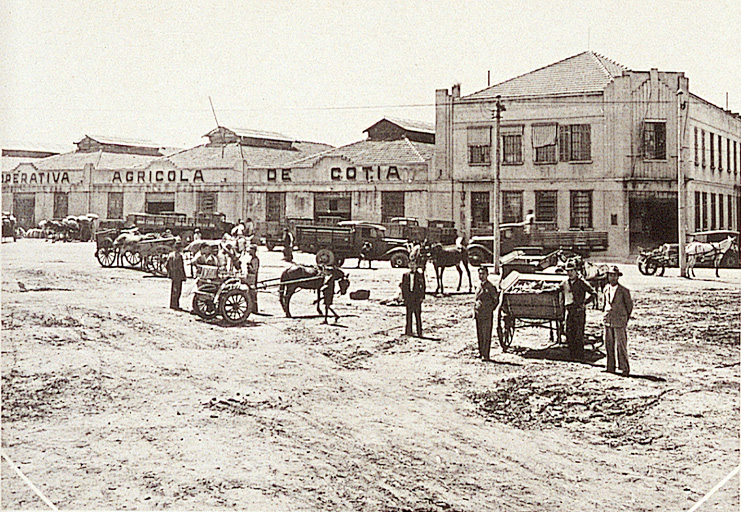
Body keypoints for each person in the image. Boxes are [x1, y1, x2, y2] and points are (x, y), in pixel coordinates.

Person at [561, 260, 597, 361]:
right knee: (569, 332)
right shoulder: (565, 283)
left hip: (579, 312)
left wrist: (584, 303)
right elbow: (556, 289)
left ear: (576, 271)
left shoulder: (581, 283)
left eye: (571, 270)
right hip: (569, 311)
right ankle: (572, 356)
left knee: (578, 334)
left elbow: (593, 293)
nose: (569, 273)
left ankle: (580, 356)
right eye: (568, 271)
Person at [602, 265, 633, 376]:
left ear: (618, 277)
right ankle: (610, 367)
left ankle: (624, 368)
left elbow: (629, 306)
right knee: (608, 344)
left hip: (620, 321)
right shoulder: (606, 288)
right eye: (610, 275)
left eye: (614, 275)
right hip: (608, 319)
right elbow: (604, 303)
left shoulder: (624, 291)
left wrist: (625, 318)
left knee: (621, 346)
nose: (612, 278)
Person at [474, 266, 499, 360]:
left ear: (487, 274)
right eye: (480, 274)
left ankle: (486, 354)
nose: (481, 276)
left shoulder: (491, 287)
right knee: (479, 333)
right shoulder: (478, 286)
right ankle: (481, 352)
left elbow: (495, 300)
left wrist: (490, 309)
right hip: (478, 313)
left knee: (486, 334)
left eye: (483, 274)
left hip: (487, 314)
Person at [400, 261, 425, 337]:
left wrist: (422, 297)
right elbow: (403, 287)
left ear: (416, 266)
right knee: (408, 315)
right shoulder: (405, 275)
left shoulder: (420, 275)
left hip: (416, 298)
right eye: (411, 265)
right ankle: (408, 331)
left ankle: (419, 332)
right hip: (409, 298)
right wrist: (404, 298)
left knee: (417, 315)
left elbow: (423, 287)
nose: (412, 267)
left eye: (413, 265)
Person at [166, 241, 187, 310]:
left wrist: (170, 272)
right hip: (178, 275)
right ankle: (175, 305)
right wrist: (184, 275)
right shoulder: (179, 256)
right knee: (178, 290)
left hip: (173, 274)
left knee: (173, 290)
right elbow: (181, 267)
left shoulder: (171, 255)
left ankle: (172, 304)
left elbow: (167, 265)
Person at [244, 244, 260, 313]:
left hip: (252, 277)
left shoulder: (255, 259)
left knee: (253, 293)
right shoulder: (252, 258)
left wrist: (249, 266)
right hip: (250, 276)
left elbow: (254, 270)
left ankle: (254, 309)